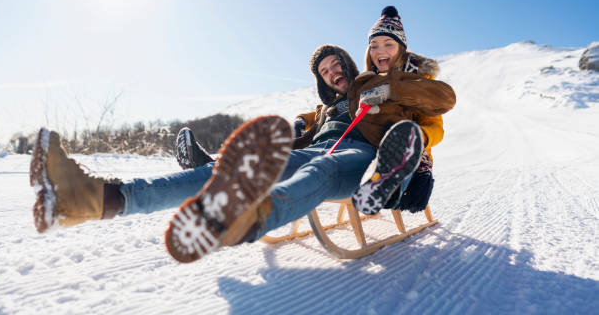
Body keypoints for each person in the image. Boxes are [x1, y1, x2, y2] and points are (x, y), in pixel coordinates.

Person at [30, 26, 455, 266]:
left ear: (351, 66)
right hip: (317, 146)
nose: (332, 74)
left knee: (319, 173)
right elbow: (299, 130)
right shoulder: (321, 112)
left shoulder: (376, 89)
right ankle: (92, 198)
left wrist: (423, 166)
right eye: (325, 72)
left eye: (337, 66)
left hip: (362, 153)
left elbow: (431, 111)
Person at [347, 6, 448, 215]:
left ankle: (386, 185)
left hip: (406, 152)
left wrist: (417, 137)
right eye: (373, 45)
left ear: (401, 48)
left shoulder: (420, 80)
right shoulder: (364, 82)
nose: (379, 51)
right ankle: (374, 183)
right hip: (368, 147)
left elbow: (435, 127)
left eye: (388, 44)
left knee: (396, 146)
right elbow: (337, 107)